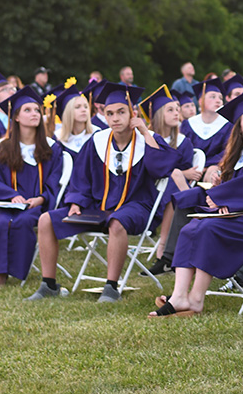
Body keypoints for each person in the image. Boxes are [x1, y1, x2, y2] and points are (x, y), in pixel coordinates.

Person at [26, 82, 175, 303]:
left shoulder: (148, 139)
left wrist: (144, 131)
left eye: (121, 112)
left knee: (117, 222)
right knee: (47, 219)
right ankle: (49, 285)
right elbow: (80, 179)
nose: (115, 118)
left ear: (132, 113)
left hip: (136, 207)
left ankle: (111, 287)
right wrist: (76, 202)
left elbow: (161, 168)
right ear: (104, 115)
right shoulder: (97, 141)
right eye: (110, 113)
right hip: (97, 207)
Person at [148, 91, 243, 317]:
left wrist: (225, 198)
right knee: (191, 228)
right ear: (239, 126)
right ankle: (180, 296)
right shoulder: (237, 155)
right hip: (238, 213)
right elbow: (234, 188)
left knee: (207, 229)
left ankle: (195, 299)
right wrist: (219, 186)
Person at [0, 87, 63, 289]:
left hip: (35, 206)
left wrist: (41, 198)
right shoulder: (1, 147)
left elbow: (55, 181)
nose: (34, 114)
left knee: (21, 222)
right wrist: (11, 196)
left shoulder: (51, 148)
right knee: (0, 220)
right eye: (27, 110)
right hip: (5, 203)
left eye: (37, 110)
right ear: (16, 117)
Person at [138, 85, 199, 268]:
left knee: (174, 186)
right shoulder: (147, 139)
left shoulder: (183, 142)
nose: (176, 113)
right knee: (175, 182)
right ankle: (166, 249)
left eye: (177, 109)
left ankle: (164, 250)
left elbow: (186, 170)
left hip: (169, 196)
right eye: (170, 110)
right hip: (148, 193)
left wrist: (180, 173)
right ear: (157, 114)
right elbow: (152, 167)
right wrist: (180, 173)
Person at [180, 77, 231, 171]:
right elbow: (181, 150)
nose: (218, 100)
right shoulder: (188, 124)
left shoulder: (227, 126)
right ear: (200, 101)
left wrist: (206, 166)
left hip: (215, 170)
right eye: (212, 96)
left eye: (220, 98)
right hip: (190, 170)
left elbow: (227, 151)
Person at [53, 84, 95, 160]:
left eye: (86, 106)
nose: (83, 110)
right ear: (68, 112)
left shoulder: (96, 135)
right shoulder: (58, 138)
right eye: (77, 107)